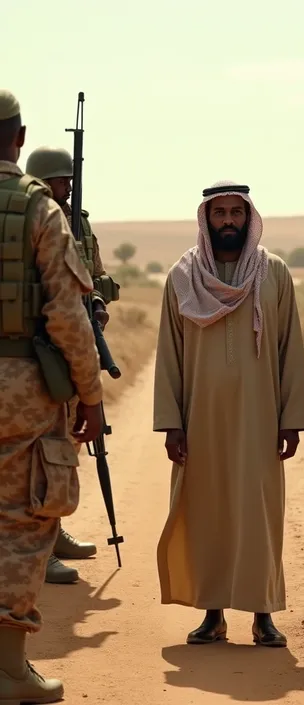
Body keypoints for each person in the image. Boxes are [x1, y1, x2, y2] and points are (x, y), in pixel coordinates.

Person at [153, 180, 304, 647]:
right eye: (219, 213)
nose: (228, 221)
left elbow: (289, 349)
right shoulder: (182, 277)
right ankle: (212, 613)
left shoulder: (273, 273)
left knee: (259, 512)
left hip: (259, 417)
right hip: (200, 419)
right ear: (206, 218)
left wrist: (290, 418)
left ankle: (263, 613)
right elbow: (170, 355)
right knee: (206, 511)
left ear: (248, 217)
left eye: (235, 213)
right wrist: (172, 423)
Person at [0, 90, 103, 703]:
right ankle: (10, 671)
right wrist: (89, 394)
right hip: (21, 392)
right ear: (18, 137)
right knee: (19, 525)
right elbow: (68, 315)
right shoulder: (37, 209)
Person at [25, 146, 120, 585]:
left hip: (72, 344)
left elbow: (93, 275)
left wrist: (97, 303)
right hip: (37, 352)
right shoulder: (31, 218)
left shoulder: (77, 222)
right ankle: (38, 550)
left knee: (63, 447)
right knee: (38, 457)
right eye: (61, 181)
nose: (67, 188)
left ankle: (55, 533)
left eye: (69, 180)